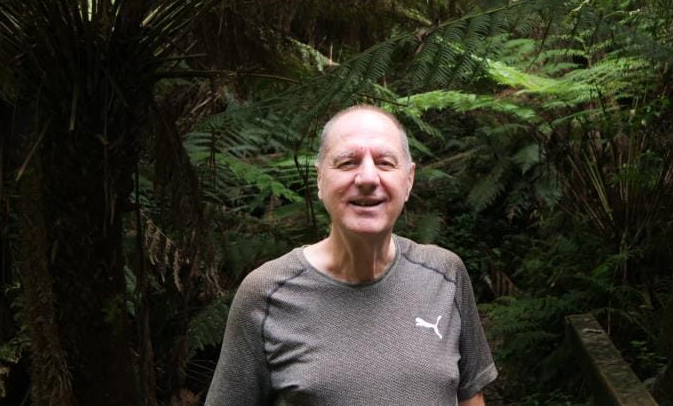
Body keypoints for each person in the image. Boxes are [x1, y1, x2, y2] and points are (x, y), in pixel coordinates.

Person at [206, 105, 497, 405]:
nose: (368, 178)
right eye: (347, 162)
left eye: (385, 162)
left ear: (408, 180)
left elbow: (470, 398)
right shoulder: (265, 294)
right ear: (319, 180)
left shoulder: (446, 275)